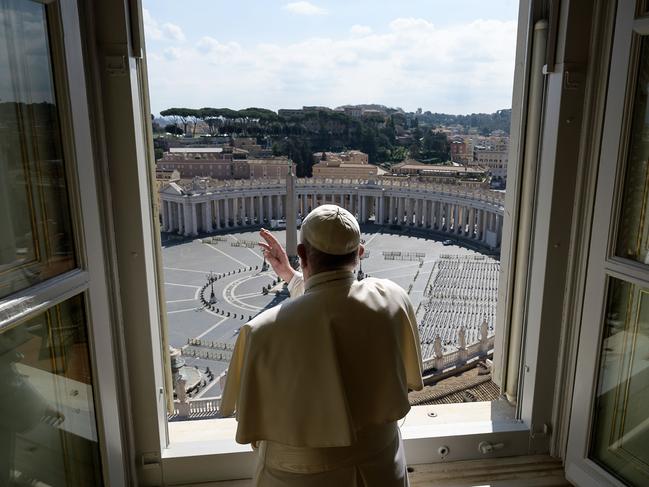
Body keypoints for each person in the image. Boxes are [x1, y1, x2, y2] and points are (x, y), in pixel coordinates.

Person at [221, 204, 423, 487]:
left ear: (302, 253)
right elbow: (336, 297)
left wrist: (295, 275)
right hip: (382, 468)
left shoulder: (260, 331)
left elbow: (321, 303)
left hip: (296, 477)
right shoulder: (394, 297)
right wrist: (291, 276)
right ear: (360, 254)